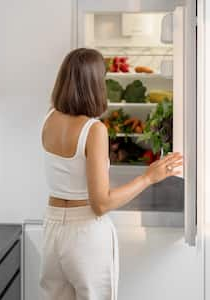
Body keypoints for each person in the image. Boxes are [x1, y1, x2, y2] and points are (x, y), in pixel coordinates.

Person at [39, 48, 182, 300]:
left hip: (52, 230)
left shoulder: (49, 118)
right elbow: (101, 203)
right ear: (94, 84)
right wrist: (148, 177)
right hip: (84, 234)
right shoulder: (94, 129)